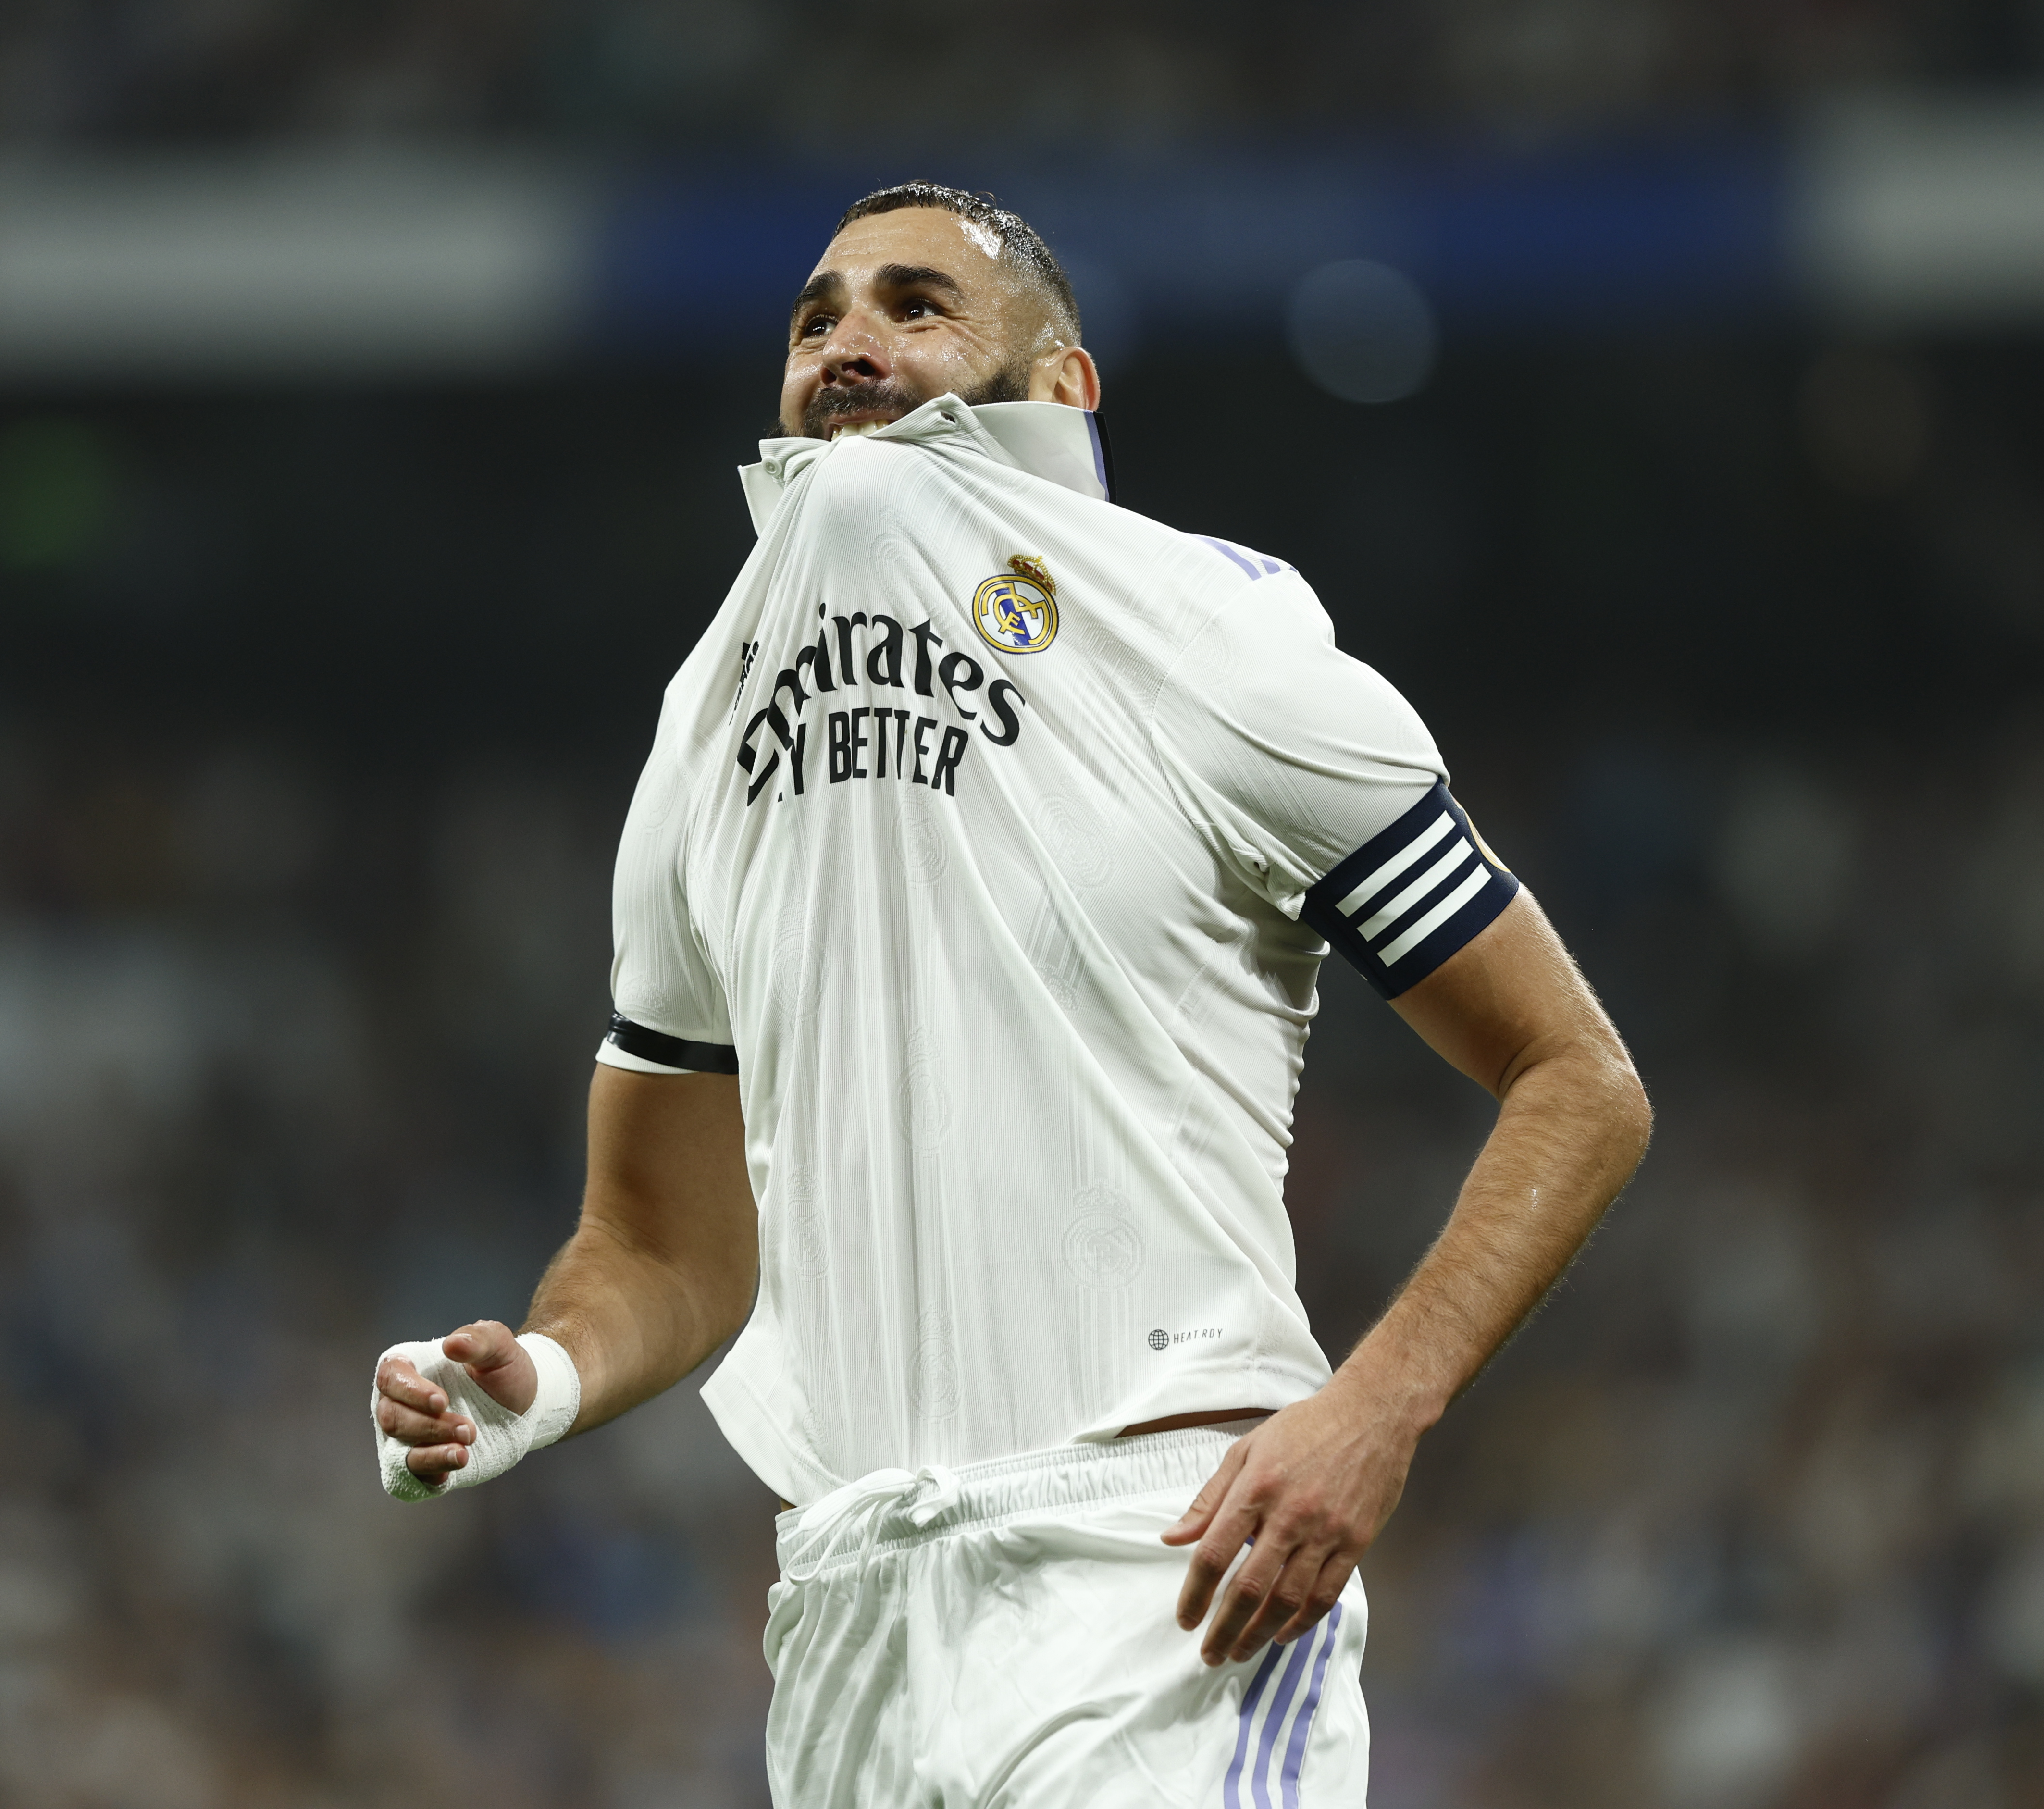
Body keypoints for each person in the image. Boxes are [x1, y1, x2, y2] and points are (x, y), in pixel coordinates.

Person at [370, 181, 1652, 1806]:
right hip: (849, 1615)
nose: (848, 340)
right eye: (817, 315)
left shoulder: (1220, 646)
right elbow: (662, 1238)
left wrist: (1373, 1411)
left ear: (1065, 386)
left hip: (1159, 1564)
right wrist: (541, 1383)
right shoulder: (700, 734)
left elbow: (1578, 1079)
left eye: (918, 306)